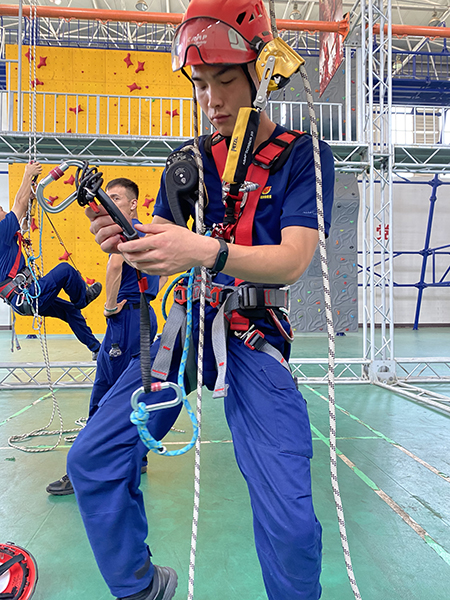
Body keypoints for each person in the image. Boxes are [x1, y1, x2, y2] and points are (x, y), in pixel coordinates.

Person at [67, 1, 335, 599]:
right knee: (93, 459)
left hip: (252, 331)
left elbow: (293, 259)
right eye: (201, 84)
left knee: (292, 522)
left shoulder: (303, 156)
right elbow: (164, 250)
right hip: (188, 326)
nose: (212, 99)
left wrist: (204, 251)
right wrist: (129, 243)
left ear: (259, 74)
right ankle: (140, 586)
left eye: (226, 80)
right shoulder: (187, 163)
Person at [46, 178, 165, 496]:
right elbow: (163, 271)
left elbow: (114, 266)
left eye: (116, 197)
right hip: (144, 316)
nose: (109, 203)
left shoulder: (127, 232)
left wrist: (110, 307)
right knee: (133, 388)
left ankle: (87, 467)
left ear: (133, 203)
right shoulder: (149, 234)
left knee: (106, 393)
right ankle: (137, 457)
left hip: (125, 319)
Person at [0, 161, 102, 358]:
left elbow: (22, 211)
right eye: (0, 209)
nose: (4, 211)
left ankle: (97, 349)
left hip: (23, 299)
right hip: (27, 296)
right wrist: (27, 173)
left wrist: (30, 197)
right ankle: (83, 298)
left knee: (70, 311)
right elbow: (18, 204)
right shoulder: (1, 231)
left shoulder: (5, 236)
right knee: (65, 270)